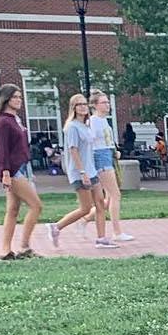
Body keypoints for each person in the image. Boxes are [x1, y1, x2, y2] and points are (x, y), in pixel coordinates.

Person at [49, 93, 110, 248]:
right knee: (86, 208)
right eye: (79, 104)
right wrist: (82, 172)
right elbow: (73, 150)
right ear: (74, 108)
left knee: (100, 203)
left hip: (92, 170)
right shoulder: (72, 127)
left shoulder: (86, 126)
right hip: (80, 173)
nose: (83, 107)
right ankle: (56, 227)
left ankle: (101, 238)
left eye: (84, 104)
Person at [0, 86, 42, 260]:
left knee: (12, 210)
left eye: (20, 97)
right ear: (6, 99)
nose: (19, 100)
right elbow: (2, 149)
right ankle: (24, 247)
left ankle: (5, 250)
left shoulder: (15, 119)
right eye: (15, 97)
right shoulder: (3, 121)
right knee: (36, 205)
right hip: (13, 170)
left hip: (23, 166)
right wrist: (5, 172)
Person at [87, 92, 134, 242]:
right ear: (95, 105)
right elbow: (90, 142)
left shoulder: (104, 121)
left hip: (108, 155)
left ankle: (84, 219)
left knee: (109, 198)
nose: (107, 105)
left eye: (107, 102)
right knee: (115, 195)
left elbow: (107, 140)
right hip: (100, 157)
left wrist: (114, 151)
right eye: (103, 102)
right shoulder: (93, 121)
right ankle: (117, 232)